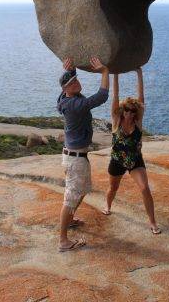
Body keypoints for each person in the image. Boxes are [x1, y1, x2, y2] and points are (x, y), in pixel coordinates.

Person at [56, 56, 109, 252]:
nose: (76, 82)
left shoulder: (64, 99)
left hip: (75, 157)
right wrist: (104, 72)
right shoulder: (75, 105)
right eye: (72, 83)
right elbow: (101, 96)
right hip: (75, 159)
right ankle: (63, 241)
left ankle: (69, 220)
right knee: (70, 197)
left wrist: (70, 69)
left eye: (76, 80)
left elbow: (68, 82)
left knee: (83, 189)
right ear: (66, 90)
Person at [103, 67, 161, 234]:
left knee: (144, 188)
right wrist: (115, 74)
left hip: (135, 161)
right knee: (113, 188)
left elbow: (142, 99)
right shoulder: (116, 121)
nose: (129, 113)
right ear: (123, 110)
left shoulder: (138, 123)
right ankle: (107, 206)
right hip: (117, 161)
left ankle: (153, 222)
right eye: (126, 110)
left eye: (132, 111)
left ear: (135, 113)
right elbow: (115, 96)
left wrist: (139, 73)